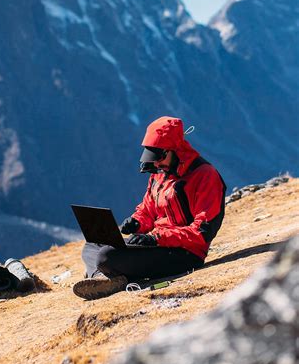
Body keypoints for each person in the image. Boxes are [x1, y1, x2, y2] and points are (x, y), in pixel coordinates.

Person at [73, 116, 226, 299]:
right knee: (92, 244)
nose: (156, 164)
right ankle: (103, 277)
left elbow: (201, 234)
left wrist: (155, 238)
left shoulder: (205, 176)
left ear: (174, 149)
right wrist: (136, 223)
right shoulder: (160, 174)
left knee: (106, 255)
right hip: (158, 244)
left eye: (159, 158)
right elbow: (148, 210)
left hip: (184, 254)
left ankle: (106, 274)